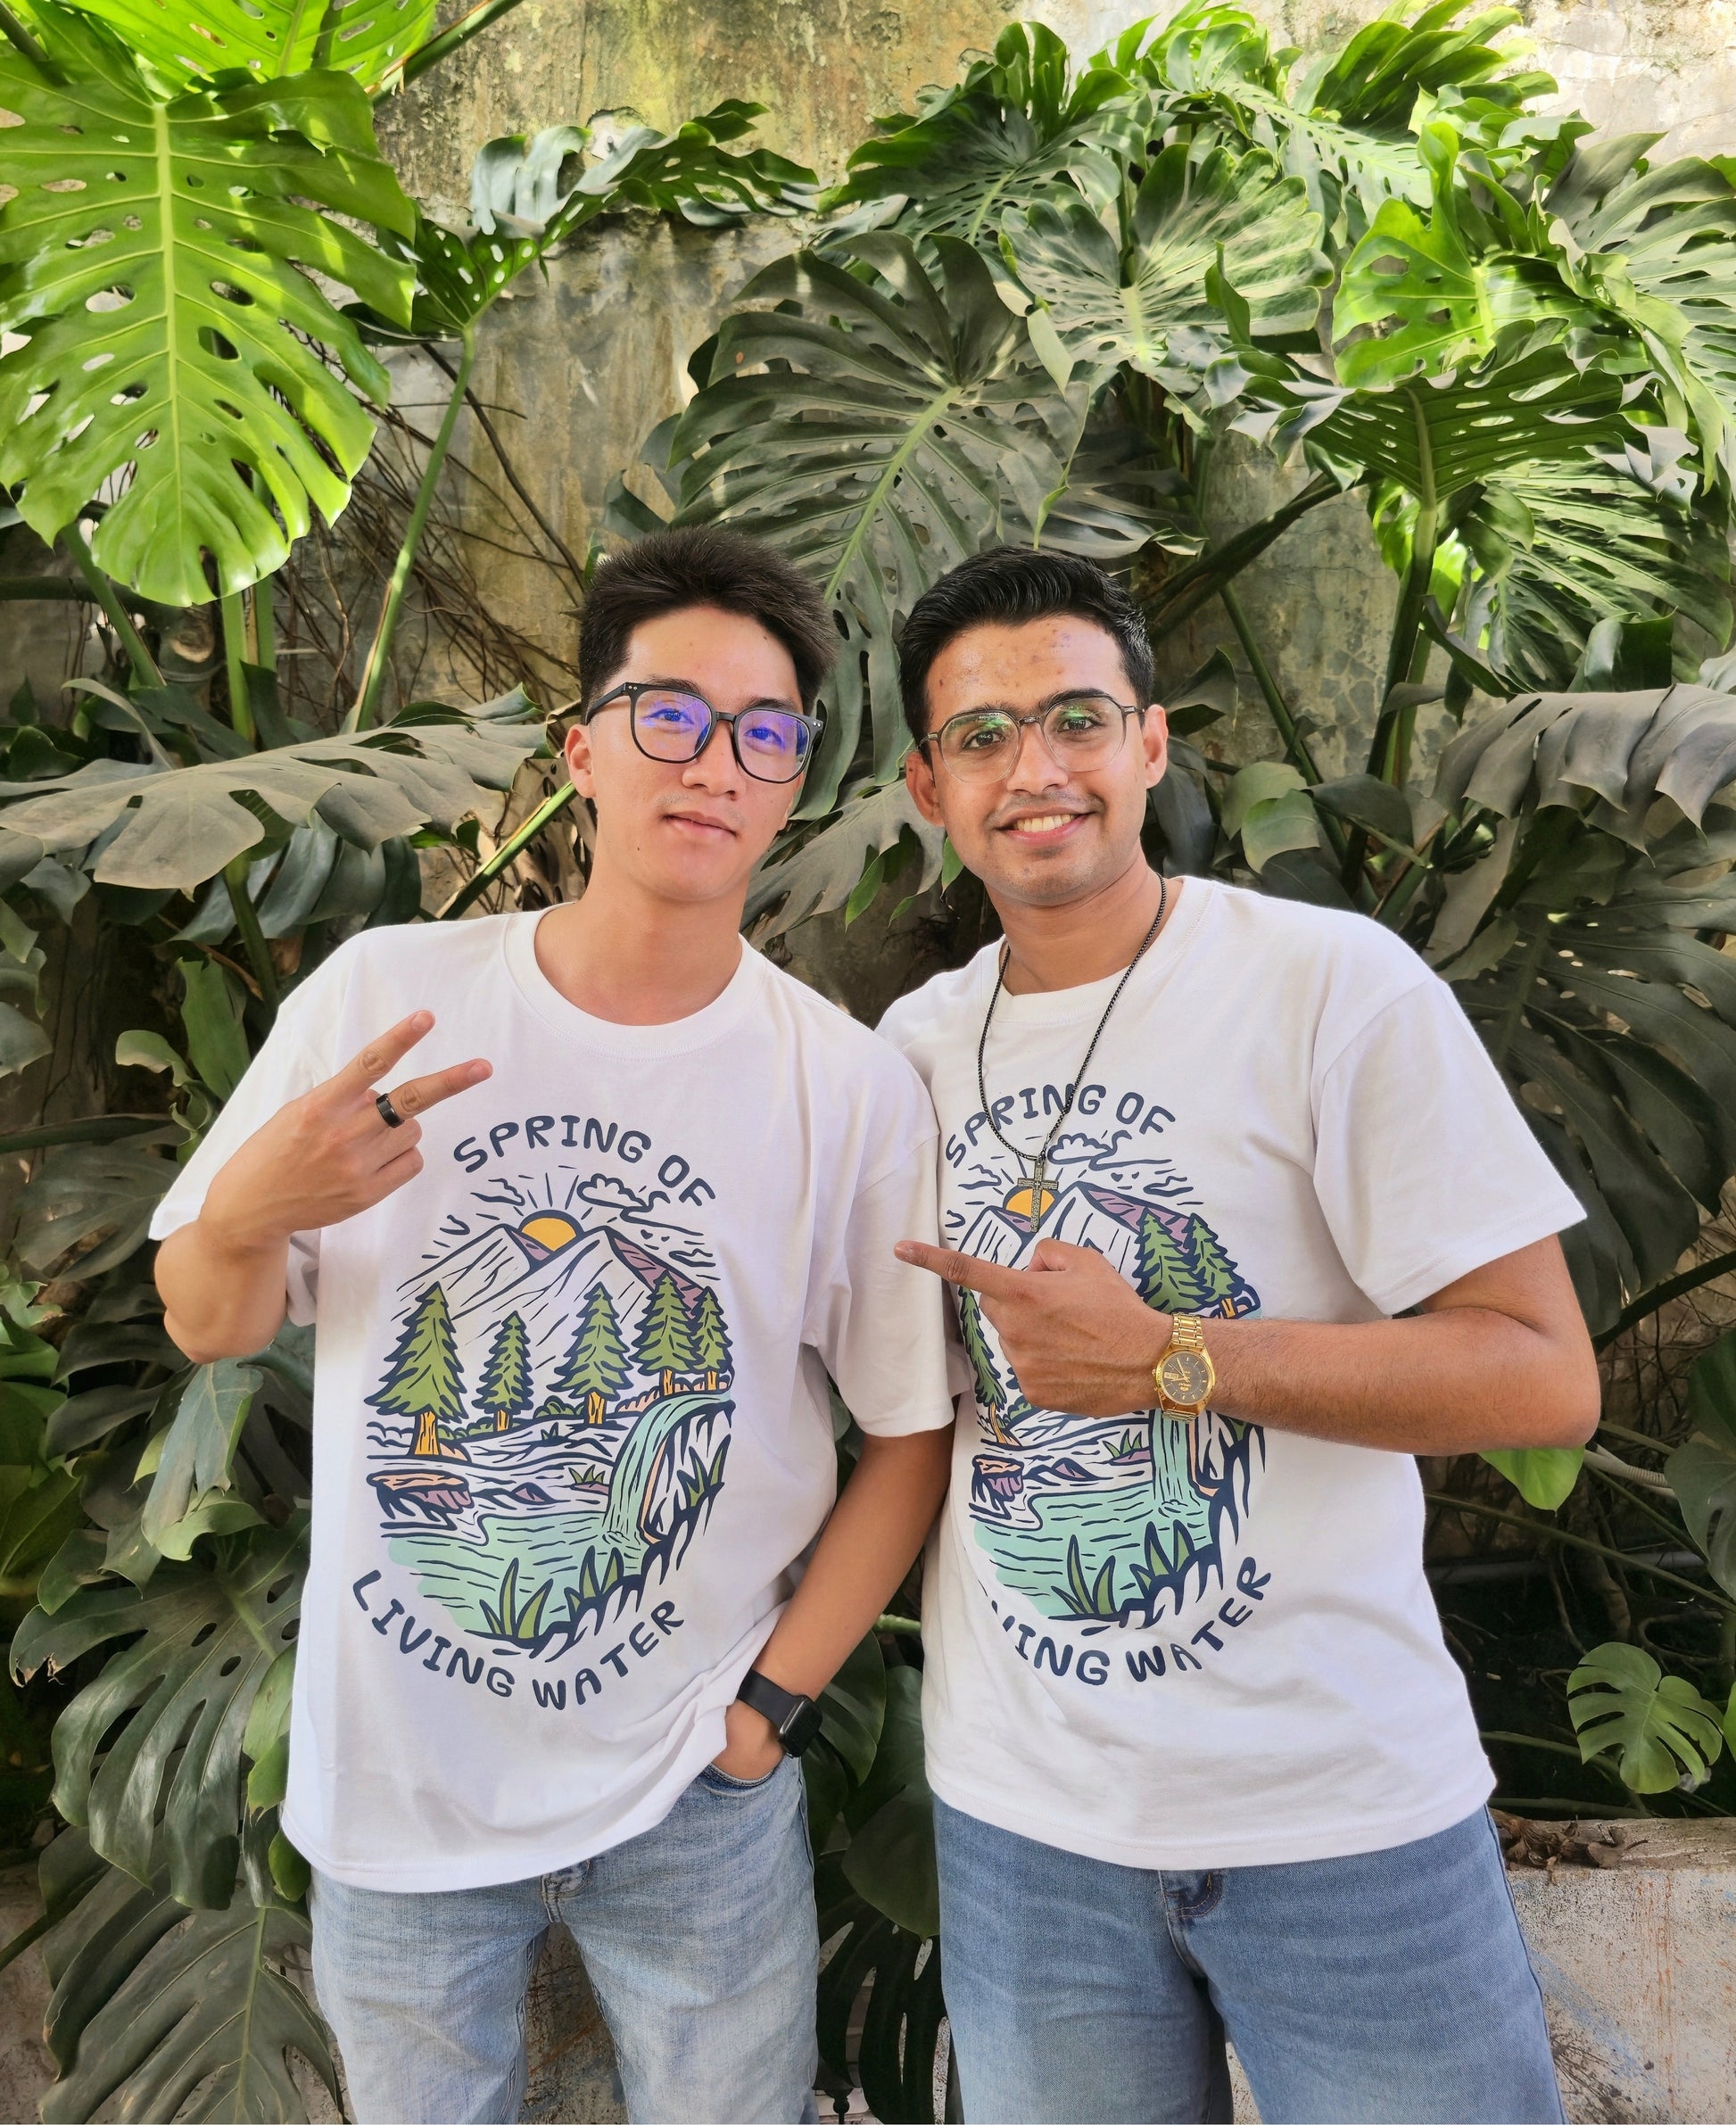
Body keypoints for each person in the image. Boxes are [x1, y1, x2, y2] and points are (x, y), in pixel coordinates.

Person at [153, 526, 955, 2125]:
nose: (712, 763)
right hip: (401, 1784)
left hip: (693, 1789)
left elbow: (908, 1432)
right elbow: (207, 1321)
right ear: (582, 749)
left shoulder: (845, 1085)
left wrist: (765, 1716)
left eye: (764, 731)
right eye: (669, 714)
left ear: (794, 781)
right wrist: (249, 1207)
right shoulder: (388, 998)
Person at [878, 547, 1598, 2125]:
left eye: (1076, 718)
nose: (1035, 768)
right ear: (930, 786)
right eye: (982, 735)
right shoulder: (908, 1050)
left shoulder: (1328, 987)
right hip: (1026, 1829)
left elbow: (1541, 1373)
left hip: (1340, 1819)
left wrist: (1169, 1357)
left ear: (1151, 742)